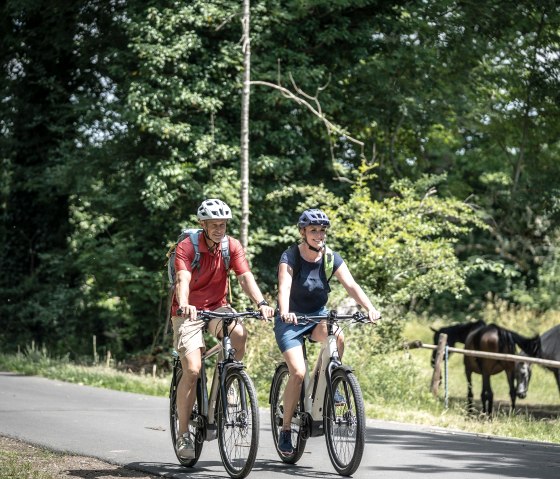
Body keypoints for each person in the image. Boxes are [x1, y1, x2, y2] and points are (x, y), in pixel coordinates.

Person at [171, 198, 274, 460]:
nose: (220, 228)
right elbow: (183, 278)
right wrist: (184, 304)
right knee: (193, 370)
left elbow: (244, 276)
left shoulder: (232, 246)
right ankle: (183, 432)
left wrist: (261, 302)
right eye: (215, 224)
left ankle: (226, 384)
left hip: (218, 307)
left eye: (224, 224)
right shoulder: (187, 247)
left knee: (239, 334)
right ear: (202, 224)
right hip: (188, 311)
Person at [274, 208, 381, 457]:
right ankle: (286, 429)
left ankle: (330, 384)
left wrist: (370, 308)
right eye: (313, 230)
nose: (319, 235)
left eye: (322, 230)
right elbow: (284, 285)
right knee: (298, 373)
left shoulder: (330, 257)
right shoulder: (291, 256)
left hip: (317, 317)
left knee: (337, 335)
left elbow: (351, 285)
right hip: (290, 320)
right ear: (303, 232)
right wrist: (285, 311)